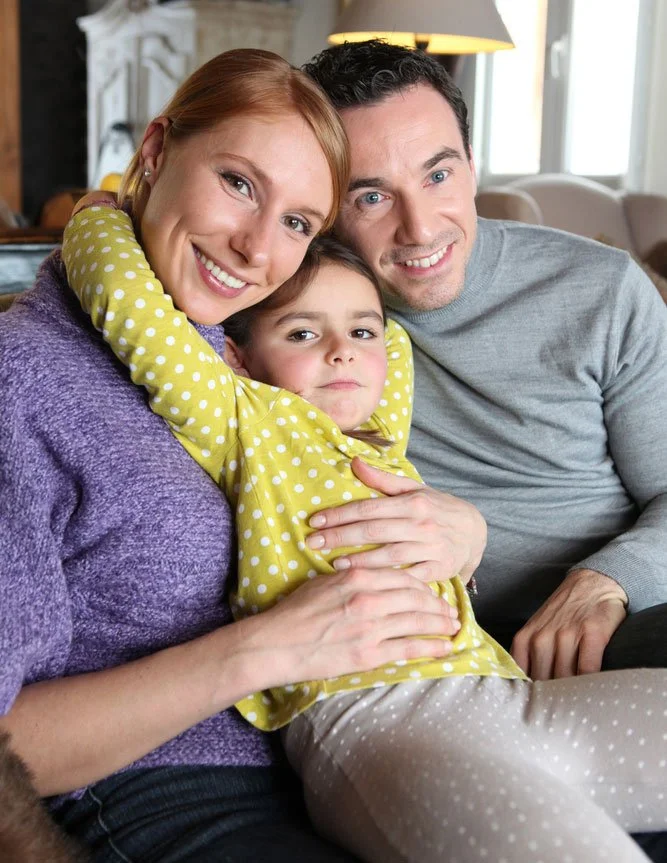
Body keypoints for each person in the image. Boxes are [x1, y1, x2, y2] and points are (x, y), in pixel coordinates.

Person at [59, 206, 667, 863]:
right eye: (300, 332)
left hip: (510, 697)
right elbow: (128, 305)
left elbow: (390, 344)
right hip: (378, 723)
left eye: (359, 330)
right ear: (235, 355)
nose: (341, 349)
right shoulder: (241, 418)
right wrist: (98, 218)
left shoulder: (381, 437)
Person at [0, 48, 475, 863]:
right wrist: (267, 649)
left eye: (297, 221)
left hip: (350, 746)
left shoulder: (248, 355)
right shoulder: (26, 376)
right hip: (172, 792)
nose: (259, 248)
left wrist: (460, 537)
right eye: (239, 183)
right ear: (154, 154)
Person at [303, 38, 667, 860]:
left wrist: (609, 578)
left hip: (615, 615)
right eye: (370, 195)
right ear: (325, 205)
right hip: (434, 652)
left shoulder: (602, 288)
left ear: (471, 160)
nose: (420, 226)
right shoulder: (308, 321)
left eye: (438, 173)